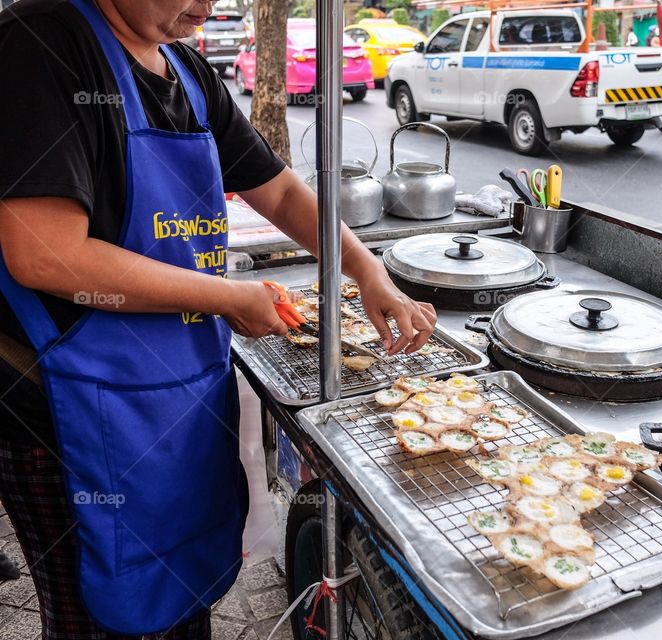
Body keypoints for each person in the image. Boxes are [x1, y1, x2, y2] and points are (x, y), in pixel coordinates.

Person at [0, 0, 437, 638]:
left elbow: (283, 191)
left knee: (183, 594)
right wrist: (226, 297)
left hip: (177, 386)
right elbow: (45, 254)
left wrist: (367, 271)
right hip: (69, 409)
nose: (207, 6)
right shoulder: (39, 45)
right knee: (102, 611)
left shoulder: (188, 72)